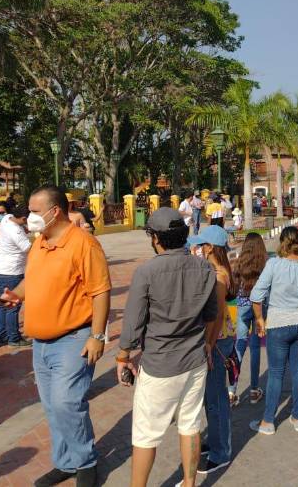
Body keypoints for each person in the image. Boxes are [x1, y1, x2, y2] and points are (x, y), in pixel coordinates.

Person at [0, 185, 111, 487]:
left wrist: (98, 336)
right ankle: (65, 463)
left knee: (67, 404)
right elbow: (31, 280)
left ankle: (86, 462)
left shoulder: (84, 244)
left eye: (35, 211)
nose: (29, 217)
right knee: (52, 407)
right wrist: (16, 294)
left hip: (73, 338)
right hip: (40, 342)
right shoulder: (40, 242)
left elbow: (101, 292)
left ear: (55, 211)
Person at [117, 208, 218, 487]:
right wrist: (207, 344)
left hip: (160, 364)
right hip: (194, 360)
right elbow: (211, 314)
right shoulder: (204, 268)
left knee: (146, 435)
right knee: (190, 425)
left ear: (156, 238)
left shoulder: (147, 272)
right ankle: (189, 483)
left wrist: (123, 356)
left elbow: (133, 322)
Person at [249, 226, 298, 435]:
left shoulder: (274, 264)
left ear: (282, 241)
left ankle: (268, 421)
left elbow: (256, 296)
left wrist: (260, 319)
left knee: (275, 373)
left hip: (279, 323)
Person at [186, 225, 236, 475]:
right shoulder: (218, 271)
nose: (198, 249)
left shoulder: (218, 276)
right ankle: (215, 440)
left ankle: (221, 452)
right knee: (211, 397)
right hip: (218, 340)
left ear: (210, 248)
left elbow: (215, 316)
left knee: (216, 399)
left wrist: (208, 344)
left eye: (202, 245)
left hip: (217, 342)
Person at [232, 233, 268, 404]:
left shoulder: (240, 262)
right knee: (255, 347)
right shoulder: (265, 264)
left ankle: (231, 391)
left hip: (242, 306)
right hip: (259, 306)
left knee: (239, 344)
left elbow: (234, 284)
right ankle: (254, 390)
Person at [0, 205, 32, 347]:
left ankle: (2, 336)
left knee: (4, 304)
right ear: (24, 218)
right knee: (13, 305)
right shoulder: (16, 231)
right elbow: (29, 249)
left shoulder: (7, 218)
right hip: (11, 273)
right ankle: (14, 338)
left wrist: (25, 228)